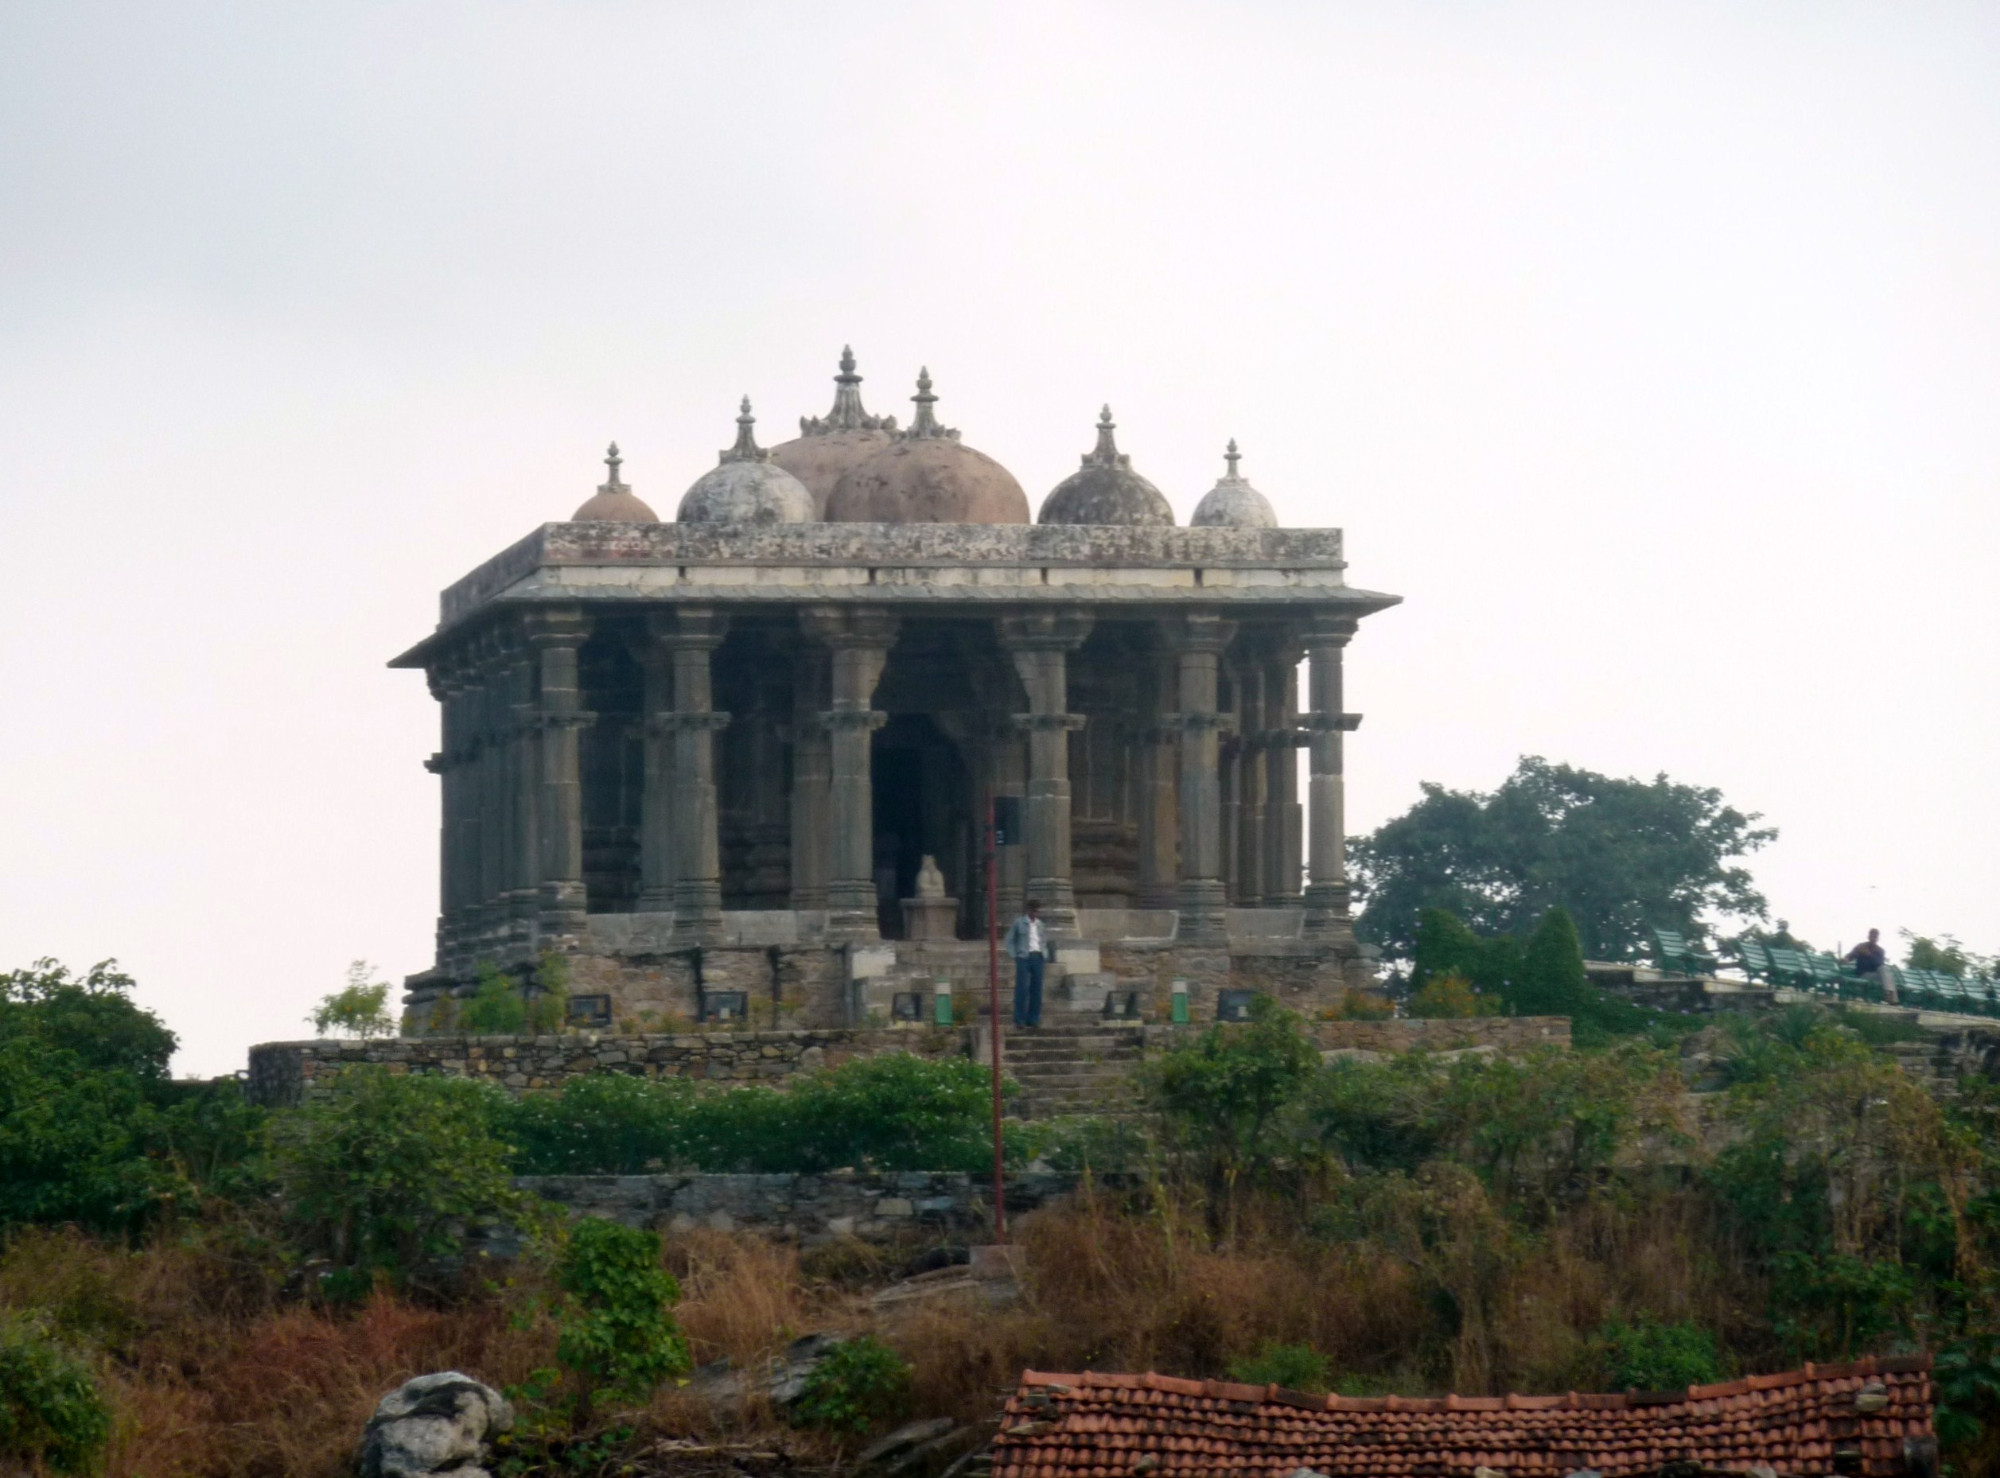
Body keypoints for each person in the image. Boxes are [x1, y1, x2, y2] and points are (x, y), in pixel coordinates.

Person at [1004, 898, 1051, 1028]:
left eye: (1037, 911)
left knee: (1037, 989)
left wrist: (1044, 953)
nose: (1035, 913)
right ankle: (1019, 1019)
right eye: (1033, 910)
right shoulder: (1019, 923)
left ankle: (1034, 1018)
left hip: (1038, 956)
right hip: (1024, 956)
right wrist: (1015, 955)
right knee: (1022, 988)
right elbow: (1009, 940)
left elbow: (1043, 940)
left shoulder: (1040, 925)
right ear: (1028, 910)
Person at [1845, 928, 1892, 1001]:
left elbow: (1879, 964)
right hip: (1863, 974)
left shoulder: (1880, 951)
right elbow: (1851, 955)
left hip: (1876, 975)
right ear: (1868, 936)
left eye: (1875, 937)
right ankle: (1890, 997)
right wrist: (1846, 959)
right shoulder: (1861, 946)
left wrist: (1868, 955)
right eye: (1872, 936)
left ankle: (1890, 996)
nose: (1873, 938)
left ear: (1877, 938)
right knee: (1885, 974)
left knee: (1884, 969)